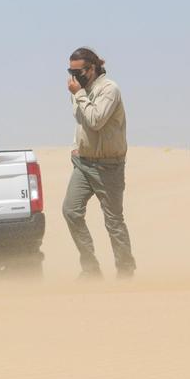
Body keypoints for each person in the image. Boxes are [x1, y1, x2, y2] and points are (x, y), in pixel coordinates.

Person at [63, 47, 135, 280]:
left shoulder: (109, 90)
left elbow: (95, 120)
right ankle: (91, 269)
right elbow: (82, 122)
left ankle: (125, 270)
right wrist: (76, 145)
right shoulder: (79, 90)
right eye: (70, 71)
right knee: (71, 211)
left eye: (79, 71)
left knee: (113, 220)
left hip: (109, 166)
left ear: (92, 68)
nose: (75, 76)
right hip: (84, 163)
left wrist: (79, 94)